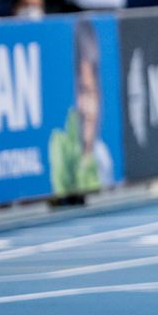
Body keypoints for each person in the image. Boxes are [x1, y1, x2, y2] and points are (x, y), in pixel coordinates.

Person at [49, 18, 114, 194]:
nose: (84, 108)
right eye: (79, 93)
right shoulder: (58, 151)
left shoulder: (103, 159)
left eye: (89, 92)